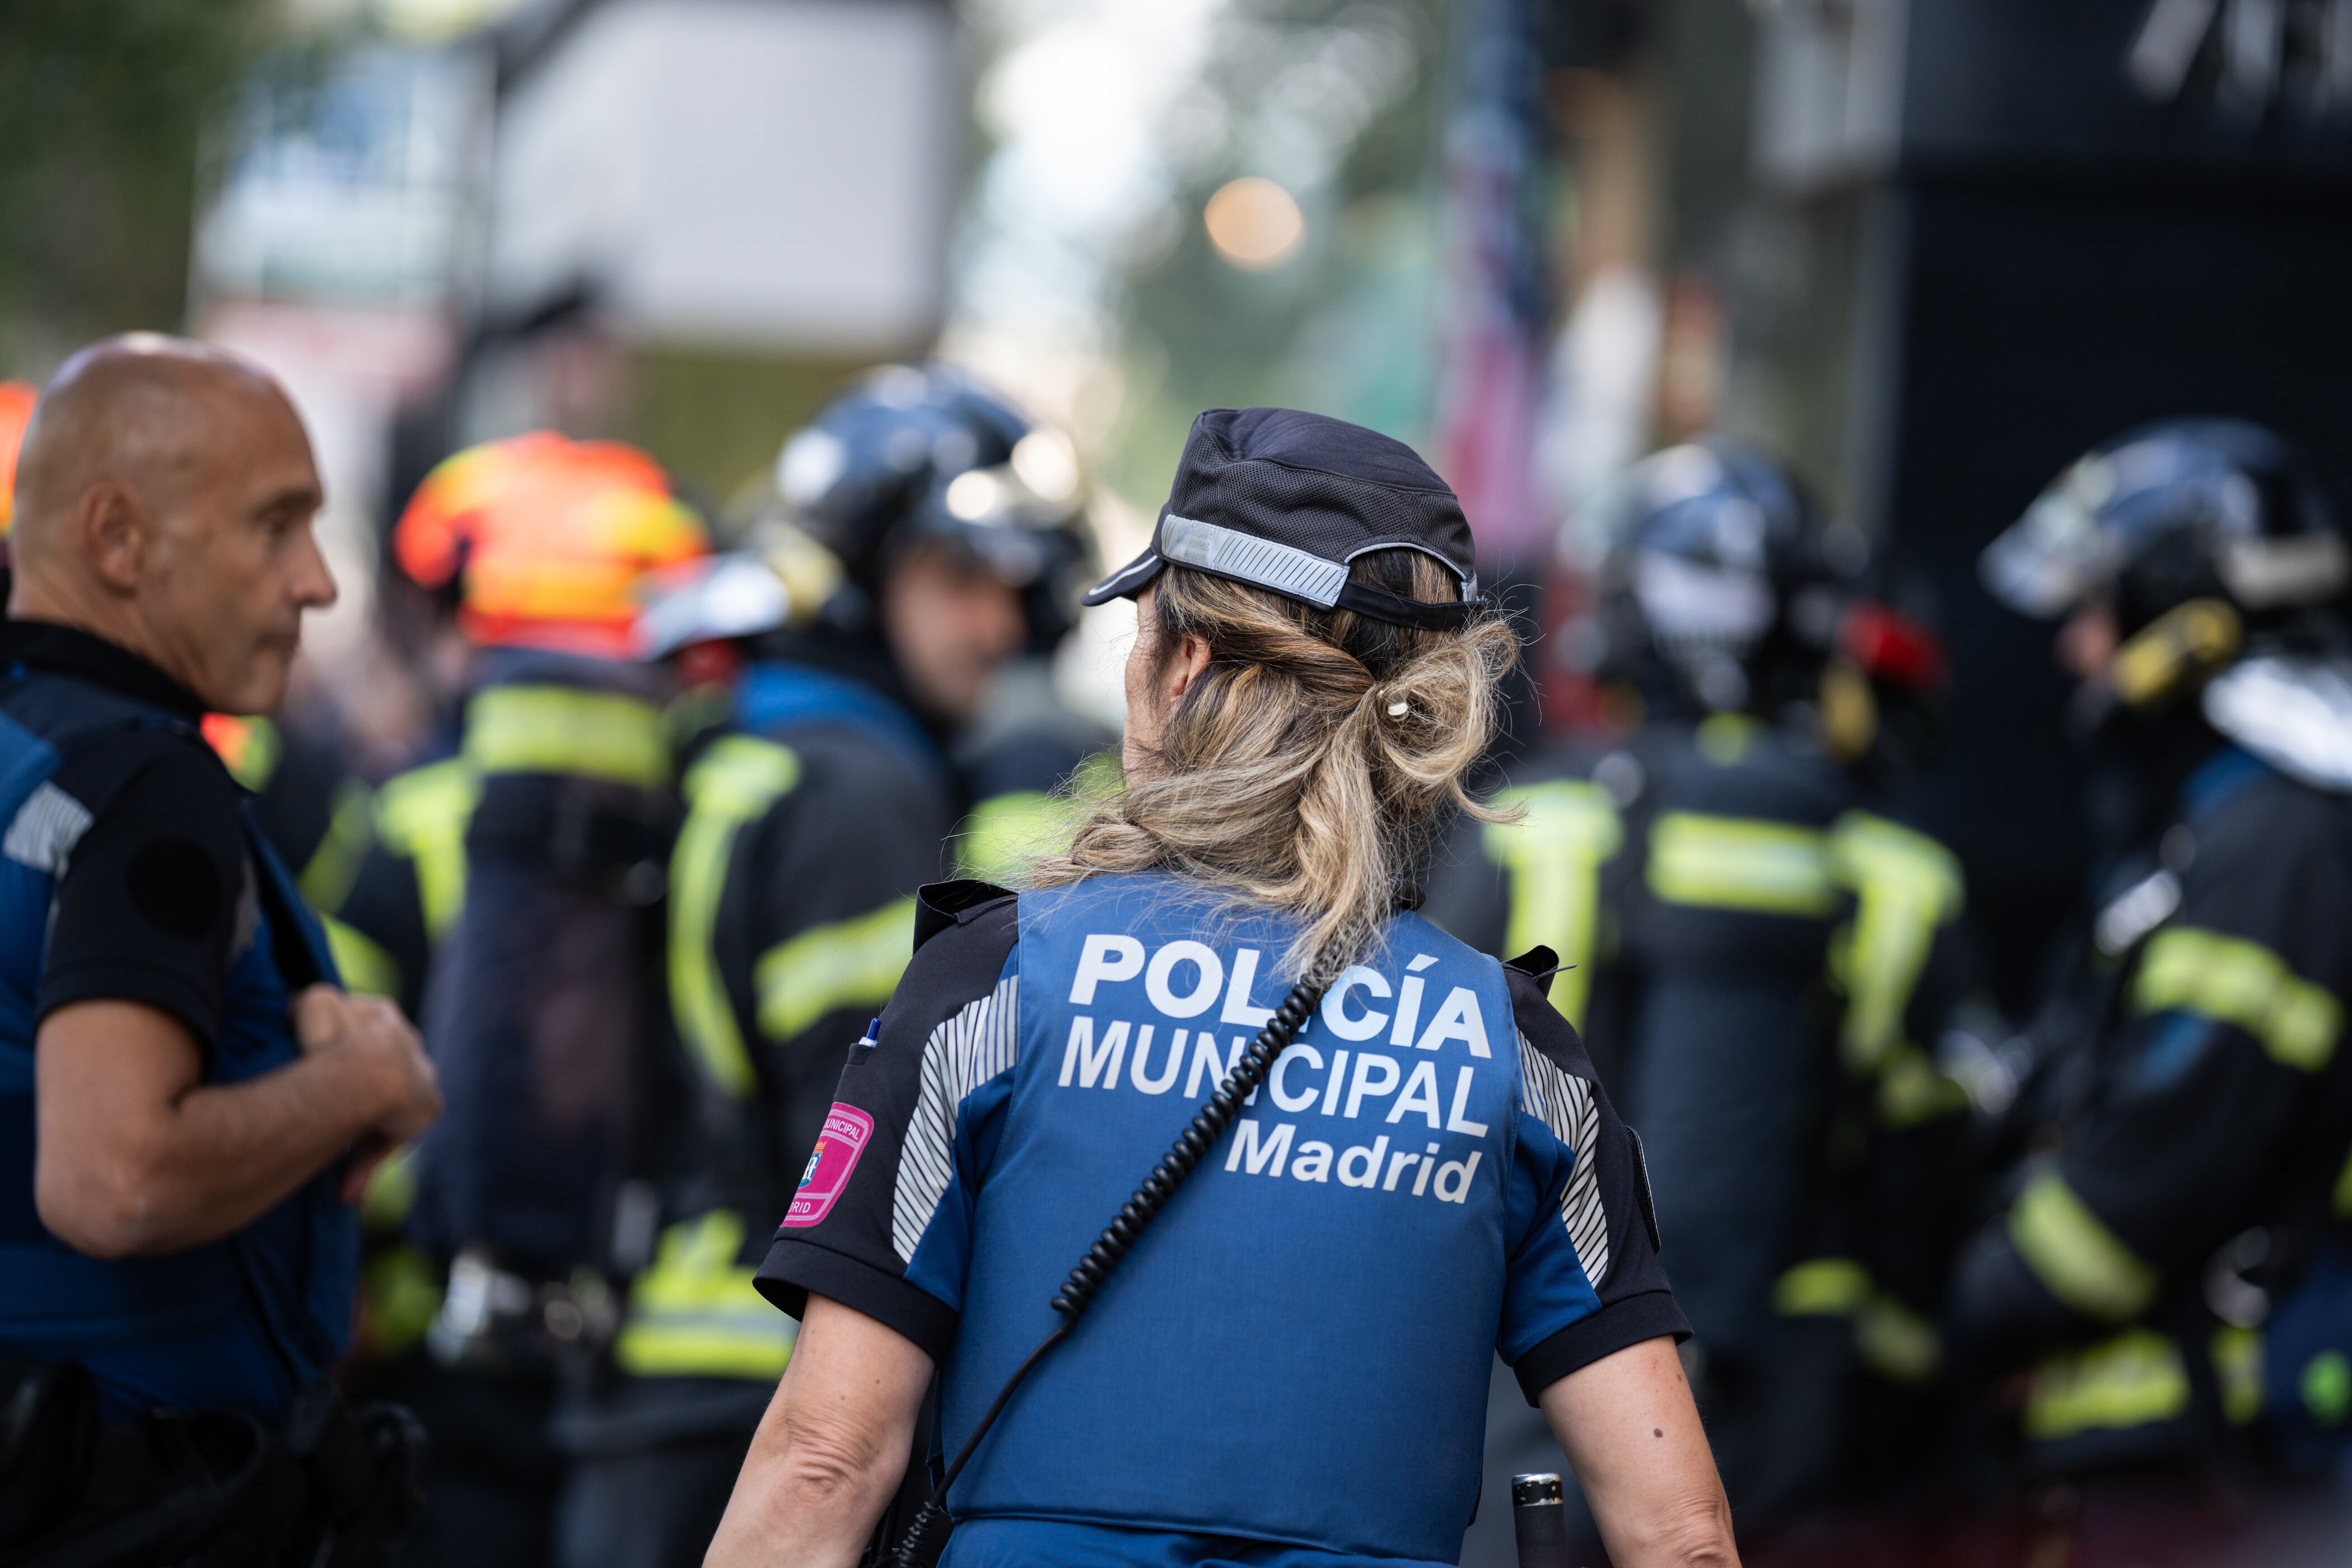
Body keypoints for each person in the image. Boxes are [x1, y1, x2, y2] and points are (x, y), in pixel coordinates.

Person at [703, 407, 1732, 1568]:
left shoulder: (991, 985)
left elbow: (824, 1461)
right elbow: (1679, 1531)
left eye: (1144, 631)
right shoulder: (1513, 1050)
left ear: (1184, 666)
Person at [552, 366, 1099, 1568]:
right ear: (857, 574)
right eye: (959, 580)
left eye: (1014, 588)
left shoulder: (759, 736)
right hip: (763, 1390)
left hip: (665, 1373)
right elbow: (865, 1140)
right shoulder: (860, 789)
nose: (998, 627)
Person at [1424, 438, 1972, 1556]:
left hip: (1535, 1384)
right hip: (1802, 1416)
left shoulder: (1526, 828)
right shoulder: (1901, 872)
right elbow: (1927, 1150)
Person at [0, 334, 441, 1560]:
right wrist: (362, 1079)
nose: (318, 582)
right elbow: (114, 1177)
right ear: (118, 540)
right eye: (274, 526)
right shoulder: (144, 786)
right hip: (128, 1504)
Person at [1951, 419, 2352, 1563]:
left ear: (2187, 611)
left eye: (2097, 608)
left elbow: (2167, 1148)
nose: (2078, 647)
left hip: (2228, 1464)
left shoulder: (2282, 842)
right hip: (2173, 1455)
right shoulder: (2225, 825)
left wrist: (1981, 1299)